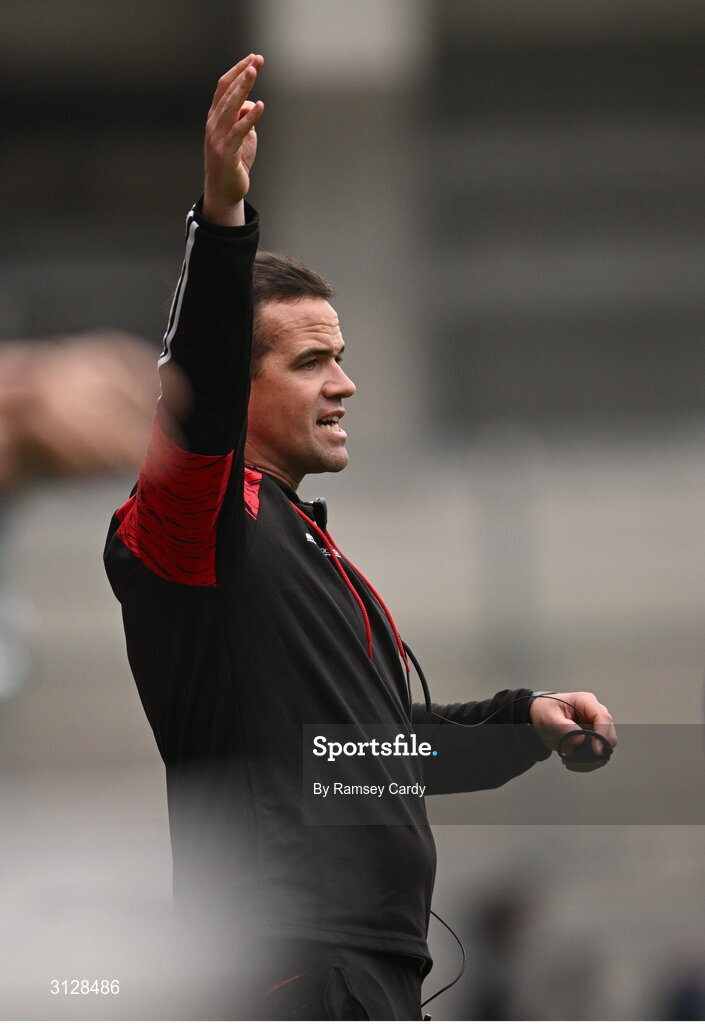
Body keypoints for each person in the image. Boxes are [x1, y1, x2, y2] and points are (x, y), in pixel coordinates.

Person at [104, 54, 618, 1020]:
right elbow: (195, 399)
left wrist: (522, 725)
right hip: (291, 963)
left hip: (368, 965)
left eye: (342, 358)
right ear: (239, 391)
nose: (345, 385)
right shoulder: (188, 531)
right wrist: (220, 220)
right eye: (312, 362)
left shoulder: (295, 540)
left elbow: (364, 758)